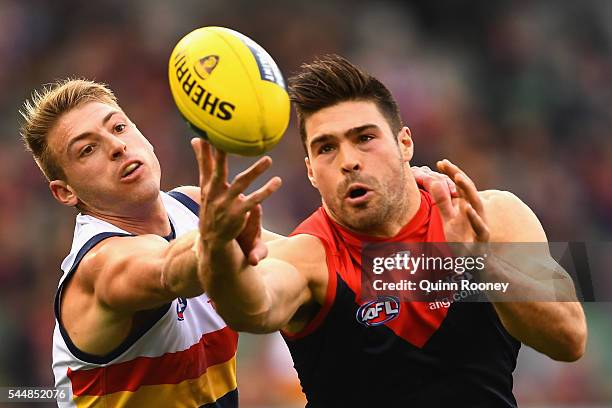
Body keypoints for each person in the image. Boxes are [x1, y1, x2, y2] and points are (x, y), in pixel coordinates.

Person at [20, 78, 451, 407]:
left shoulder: (193, 206)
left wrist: (390, 192)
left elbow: (322, 264)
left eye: (119, 127)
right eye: (87, 150)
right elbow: (174, 270)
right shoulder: (100, 266)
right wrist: (215, 240)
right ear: (65, 192)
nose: (116, 146)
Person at [195, 55, 587, 407]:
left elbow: (569, 339)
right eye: (326, 148)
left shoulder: (493, 215)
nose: (348, 161)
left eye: (365, 138)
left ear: (404, 143)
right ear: (311, 170)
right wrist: (217, 249)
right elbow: (252, 308)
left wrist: (481, 263)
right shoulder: (308, 257)